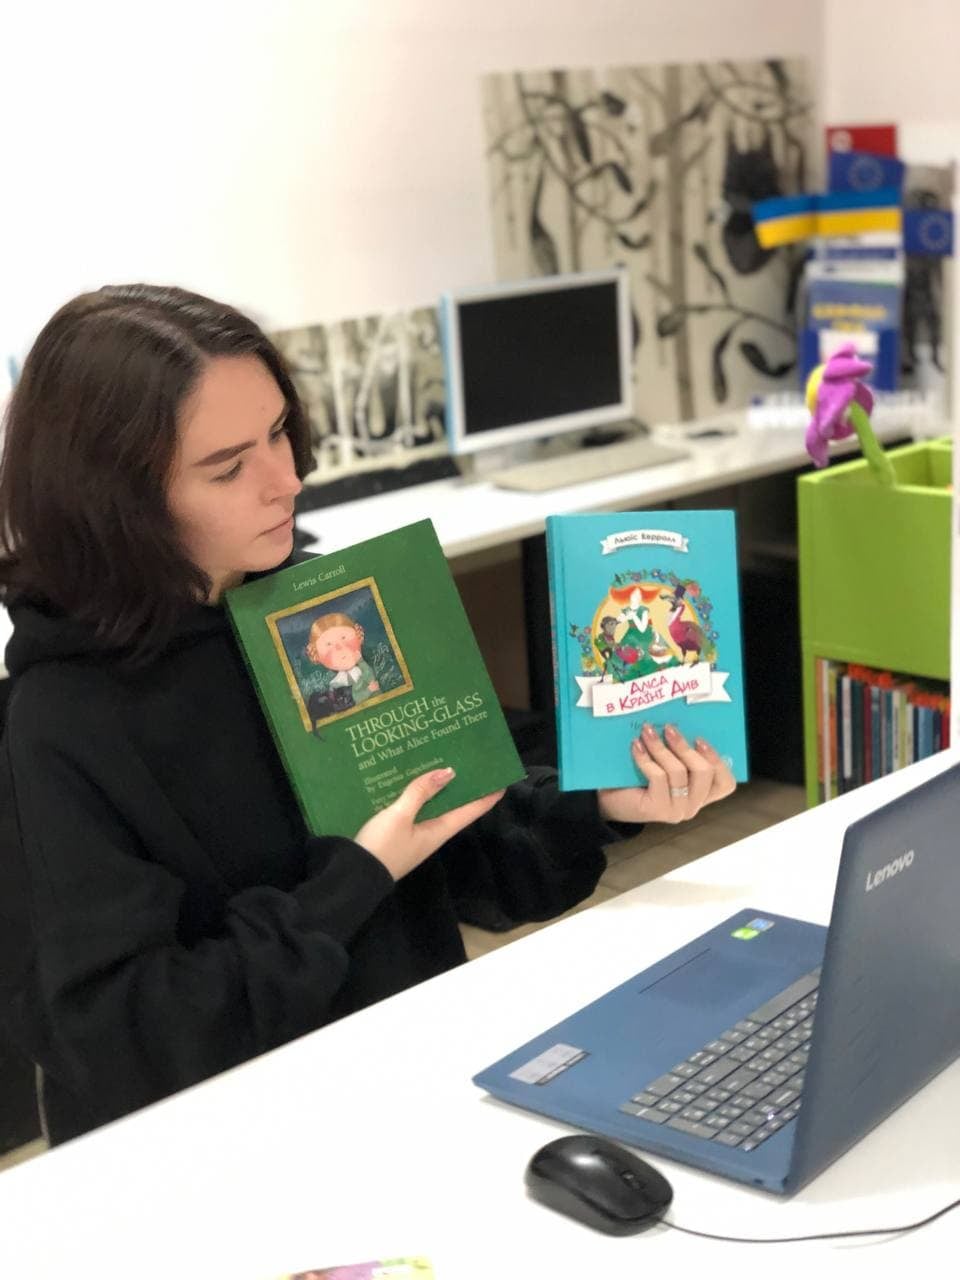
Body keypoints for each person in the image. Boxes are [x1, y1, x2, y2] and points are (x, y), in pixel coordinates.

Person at [0, 285, 736, 1145]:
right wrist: (356, 876)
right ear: (116, 499)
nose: (288, 480)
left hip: (406, 1081)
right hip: (231, 1152)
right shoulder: (60, 721)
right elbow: (129, 1037)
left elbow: (455, 839)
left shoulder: (317, 611)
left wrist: (600, 800)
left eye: (280, 432)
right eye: (228, 467)